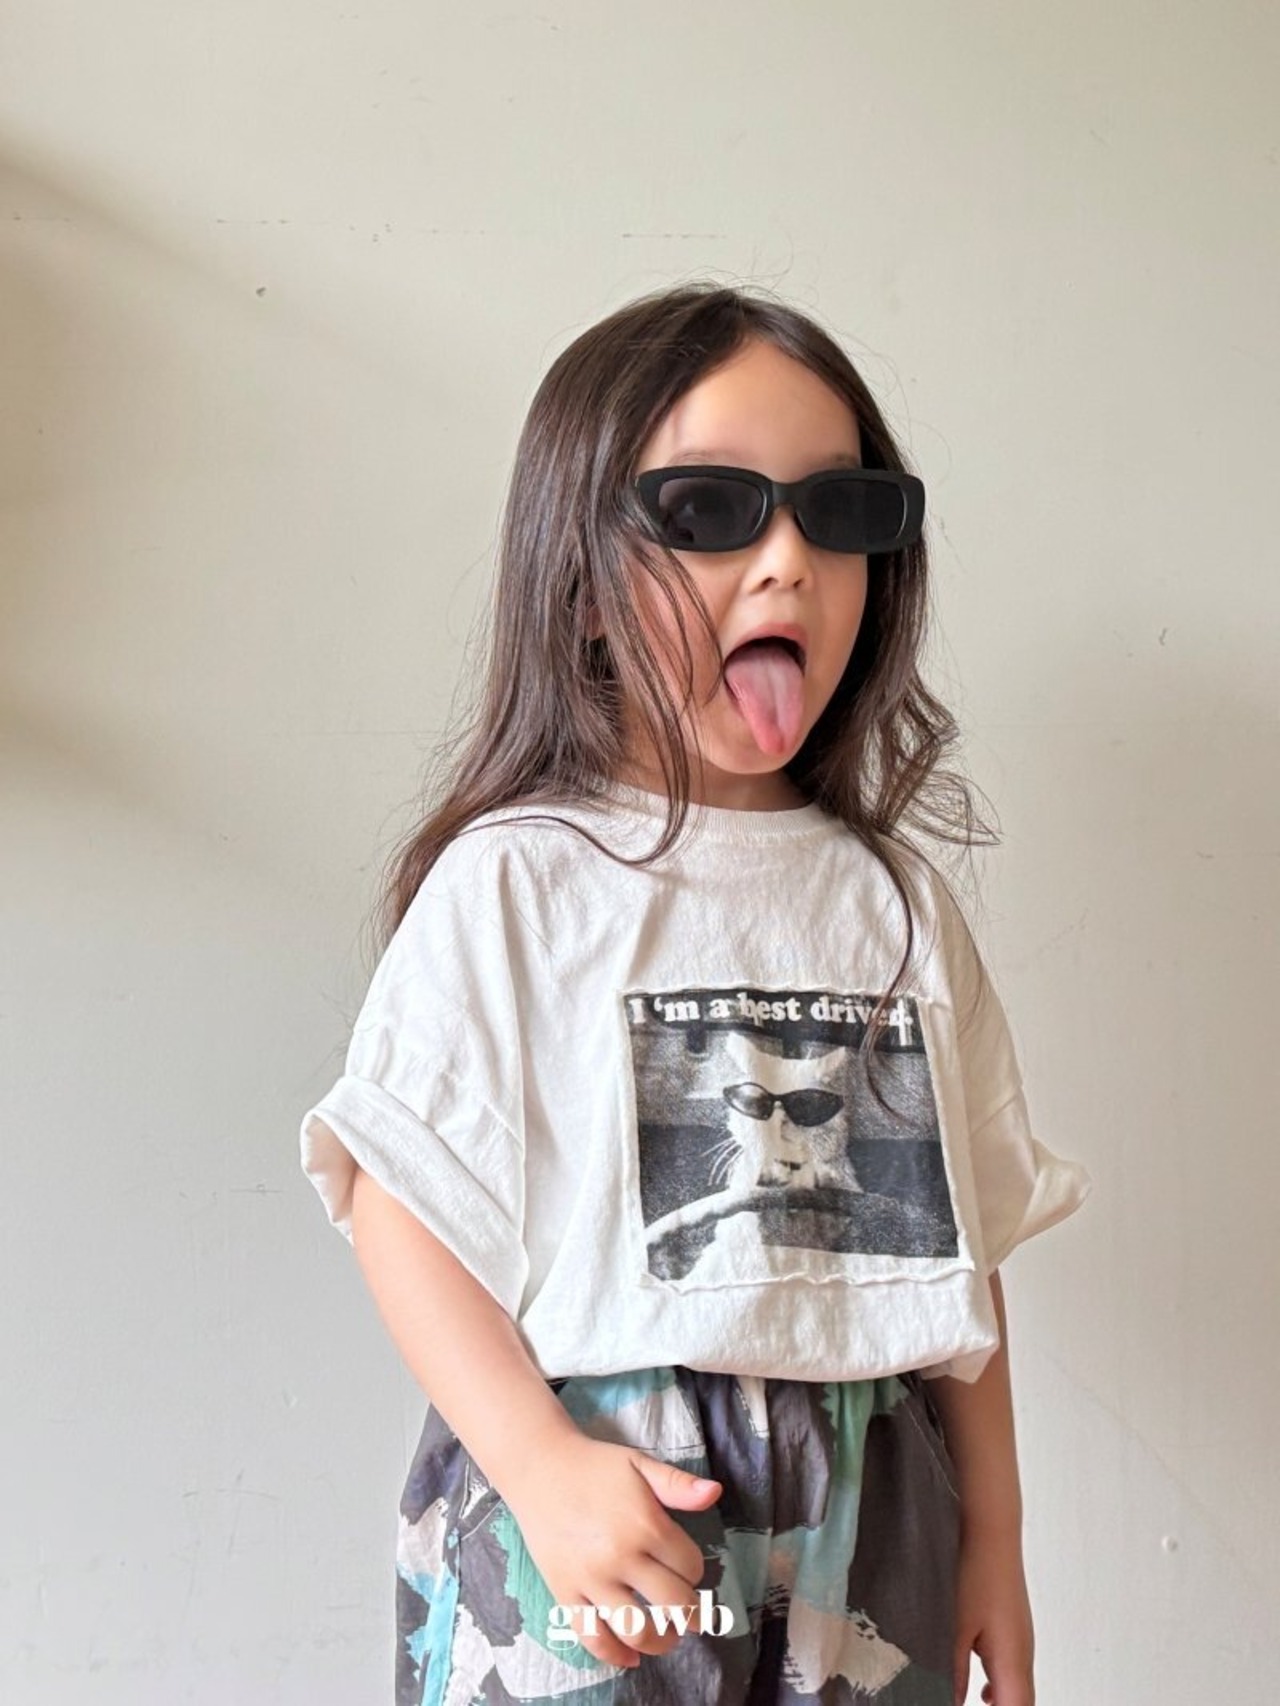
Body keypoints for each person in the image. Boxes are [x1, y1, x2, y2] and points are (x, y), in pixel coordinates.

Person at [299, 281, 1092, 1706]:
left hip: (875, 1508)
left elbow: (958, 1258)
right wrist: (537, 1463)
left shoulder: (893, 905)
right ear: (581, 584)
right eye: (712, 511)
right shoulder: (522, 879)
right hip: (602, 1500)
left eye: (840, 513)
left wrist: (998, 1538)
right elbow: (396, 1197)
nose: (789, 559)